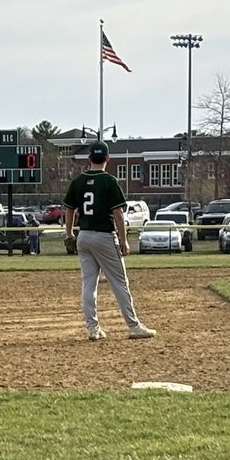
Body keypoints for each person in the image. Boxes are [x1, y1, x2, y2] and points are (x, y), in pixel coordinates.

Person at [62, 140, 156, 340]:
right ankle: (134, 326)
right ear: (107, 158)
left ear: (89, 158)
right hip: (104, 235)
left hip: (84, 236)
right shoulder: (110, 181)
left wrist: (69, 234)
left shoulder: (78, 181)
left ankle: (93, 328)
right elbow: (119, 214)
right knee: (119, 282)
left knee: (88, 283)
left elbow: (69, 210)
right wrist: (124, 239)